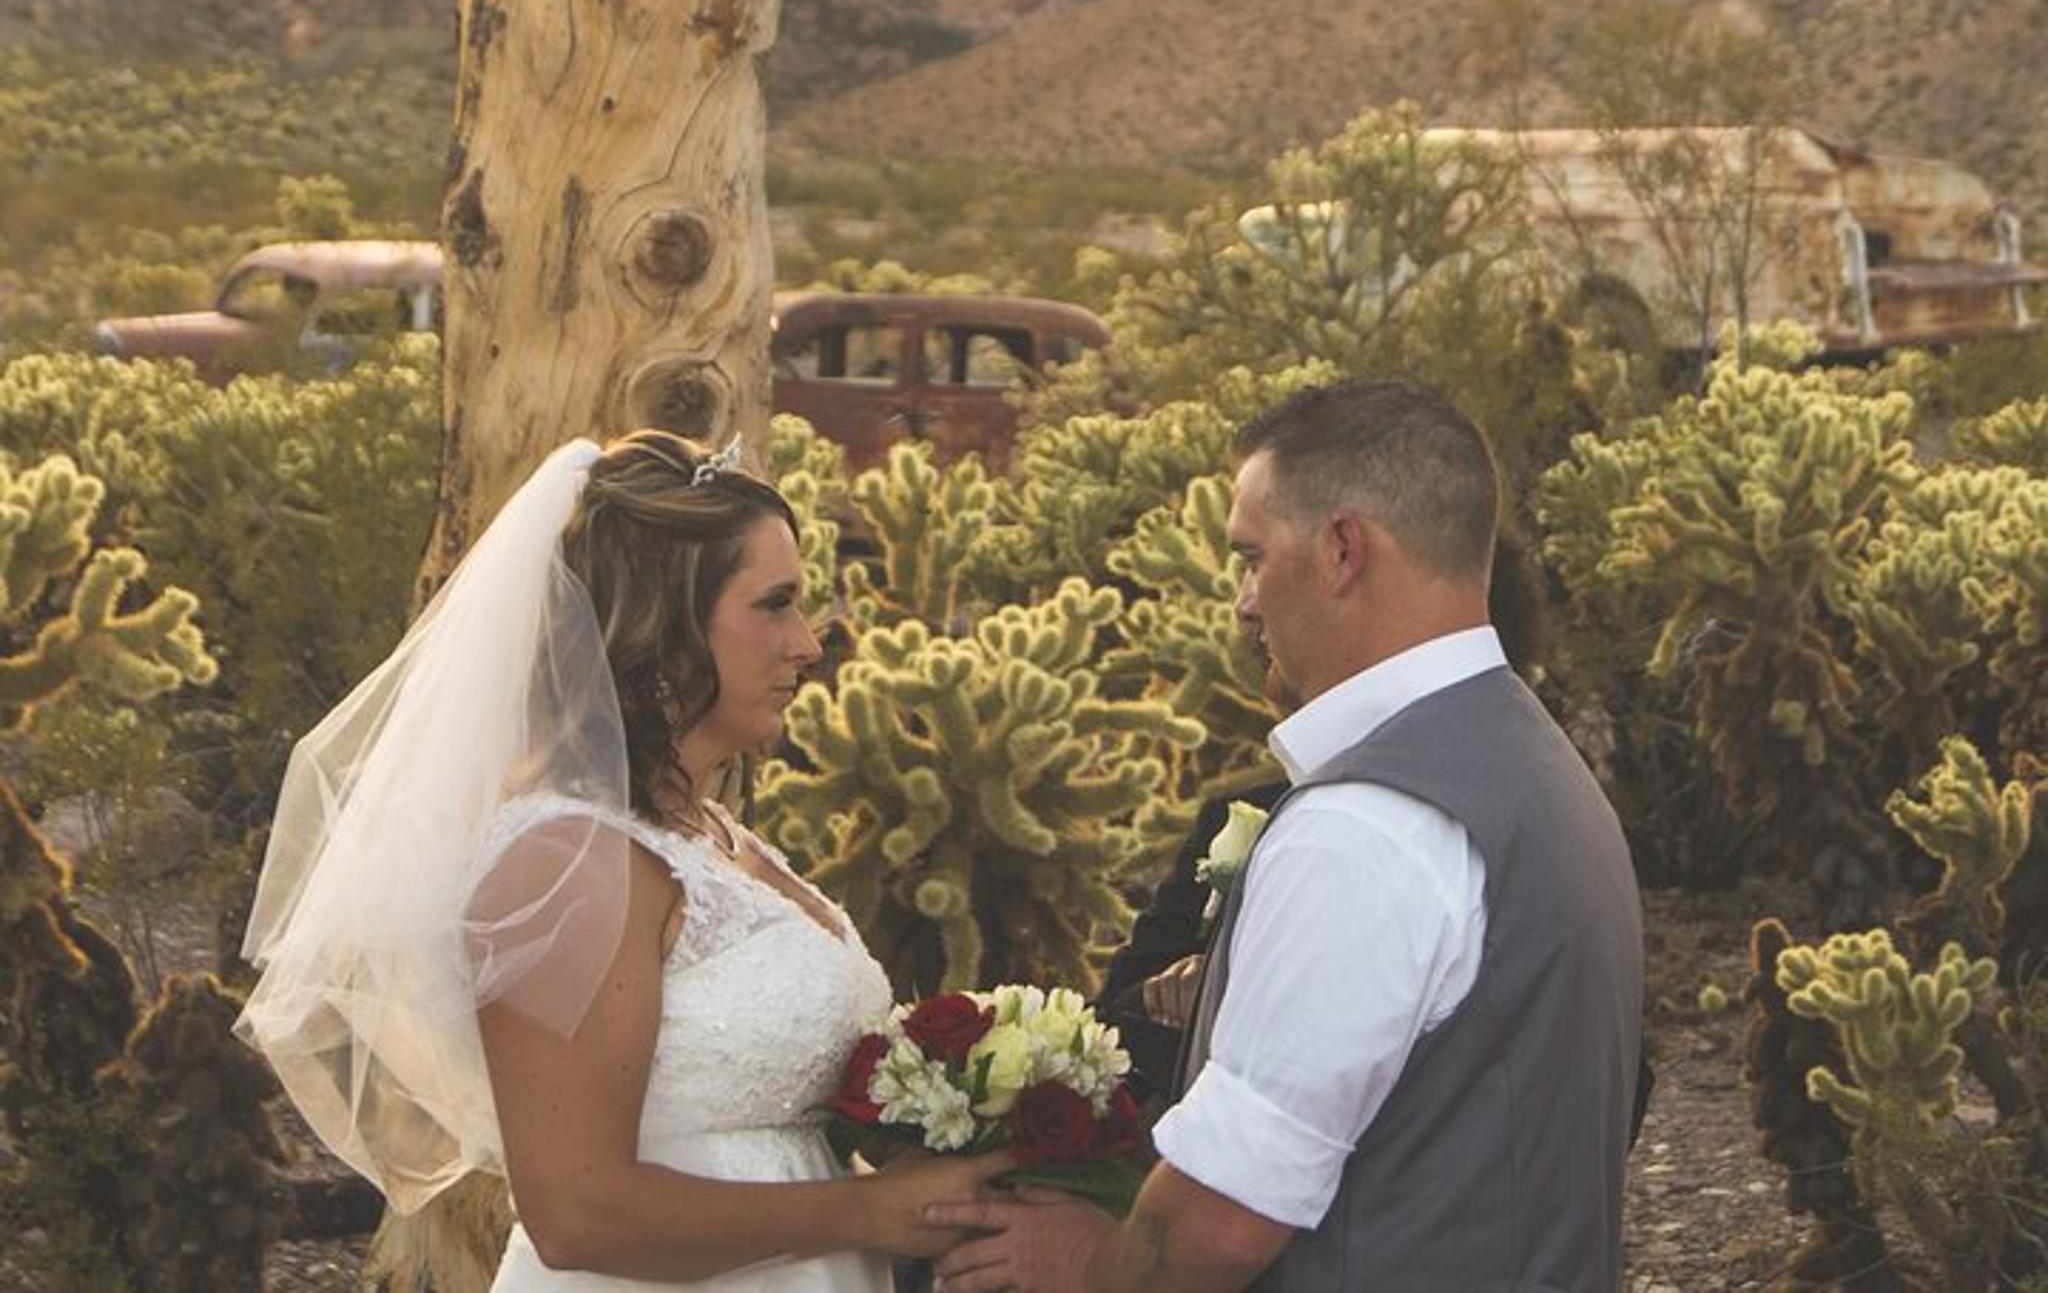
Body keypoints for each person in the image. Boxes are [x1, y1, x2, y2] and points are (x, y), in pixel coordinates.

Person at [237, 430, 1005, 1292]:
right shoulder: (565, 857)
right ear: (663, 627)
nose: (808, 643)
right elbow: (577, 1211)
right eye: (775, 604)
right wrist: (867, 1212)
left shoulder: (711, 835)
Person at [928, 380, 1644, 1292]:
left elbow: (1222, 1222)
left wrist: (1079, 1257)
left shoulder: (1369, 823)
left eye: (1251, 557)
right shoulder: (1535, 767)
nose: (1242, 602)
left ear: (1343, 549)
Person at [1097, 531, 1553, 1103]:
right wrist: (1191, 994)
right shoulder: (1245, 817)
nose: (1244, 608)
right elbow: (1112, 1023)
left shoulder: (1499, 832)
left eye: (1256, 565)